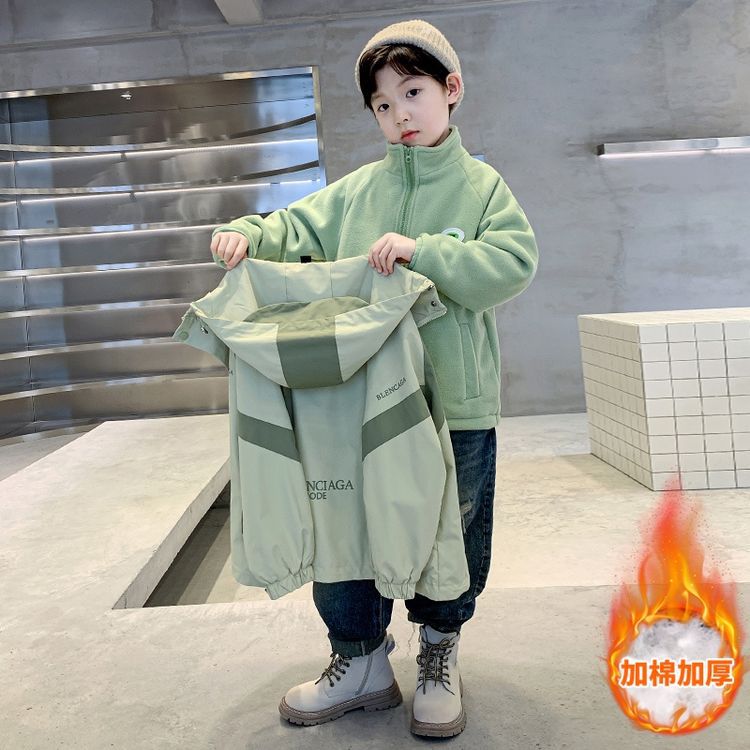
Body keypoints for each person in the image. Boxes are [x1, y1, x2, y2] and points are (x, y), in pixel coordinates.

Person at [209, 18, 538, 738]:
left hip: (456, 404)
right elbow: (292, 229)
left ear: (452, 89)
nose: (400, 114)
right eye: (383, 105)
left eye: (413, 92)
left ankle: (440, 653)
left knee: (452, 530)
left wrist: (425, 252)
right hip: (361, 406)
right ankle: (359, 660)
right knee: (350, 528)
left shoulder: (482, 188)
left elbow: (513, 264)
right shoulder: (357, 191)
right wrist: (250, 233)